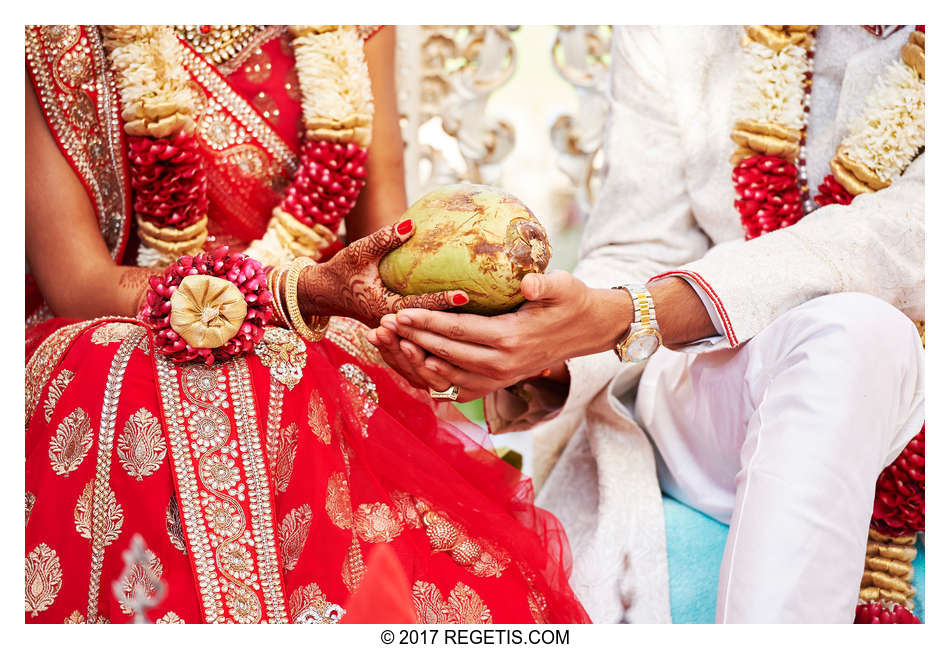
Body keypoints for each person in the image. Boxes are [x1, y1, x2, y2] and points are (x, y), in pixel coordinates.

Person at [24, 24, 590, 624]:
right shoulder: (54, 30)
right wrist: (293, 291)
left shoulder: (353, 23)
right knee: (158, 359)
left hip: (327, 327)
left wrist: (499, 329)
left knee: (292, 360)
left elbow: (386, 245)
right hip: (122, 325)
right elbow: (77, 282)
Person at [368, 25, 925, 623]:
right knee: (853, 337)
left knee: (863, 332)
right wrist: (543, 352)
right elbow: (639, 245)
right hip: (718, 394)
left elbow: (908, 234)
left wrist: (632, 313)